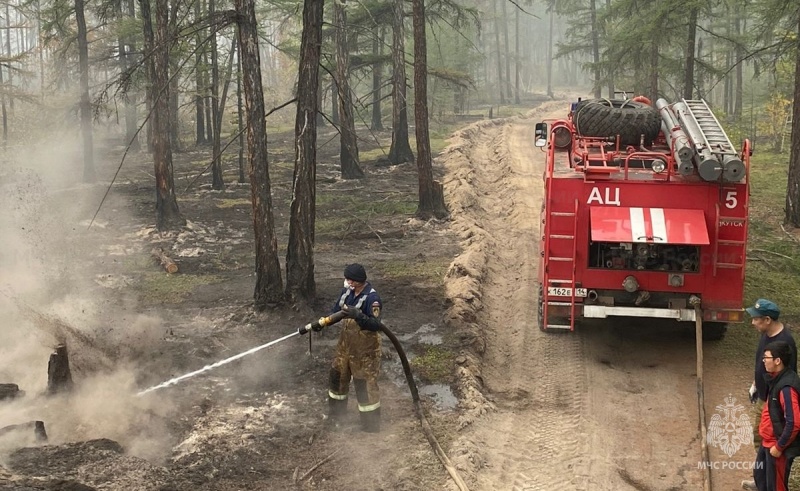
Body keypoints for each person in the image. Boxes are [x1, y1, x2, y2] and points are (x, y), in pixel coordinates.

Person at [743, 300, 797, 490]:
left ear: (767, 319)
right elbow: (761, 362)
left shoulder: (784, 342)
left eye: (756, 319)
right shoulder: (766, 334)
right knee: (760, 436)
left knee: (772, 443)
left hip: (773, 402)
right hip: (764, 395)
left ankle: (771, 479)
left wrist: (774, 405)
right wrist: (755, 383)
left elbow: (786, 377)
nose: (752, 323)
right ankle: (762, 479)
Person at [325, 263, 384, 432]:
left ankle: (370, 425)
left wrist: (359, 316)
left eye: (349, 279)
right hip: (344, 348)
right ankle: (336, 417)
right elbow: (336, 311)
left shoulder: (372, 299)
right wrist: (323, 323)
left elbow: (375, 325)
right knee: (337, 379)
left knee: (364, 385)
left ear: (358, 281)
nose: (347, 282)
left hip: (365, 352)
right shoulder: (346, 293)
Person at [751, 341, 800, 491]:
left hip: (777, 446)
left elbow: (794, 423)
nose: (763, 361)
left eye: (766, 357)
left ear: (777, 361)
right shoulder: (776, 378)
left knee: (775, 486)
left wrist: (779, 447)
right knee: (760, 476)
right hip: (768, 442)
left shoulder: (787, 387)